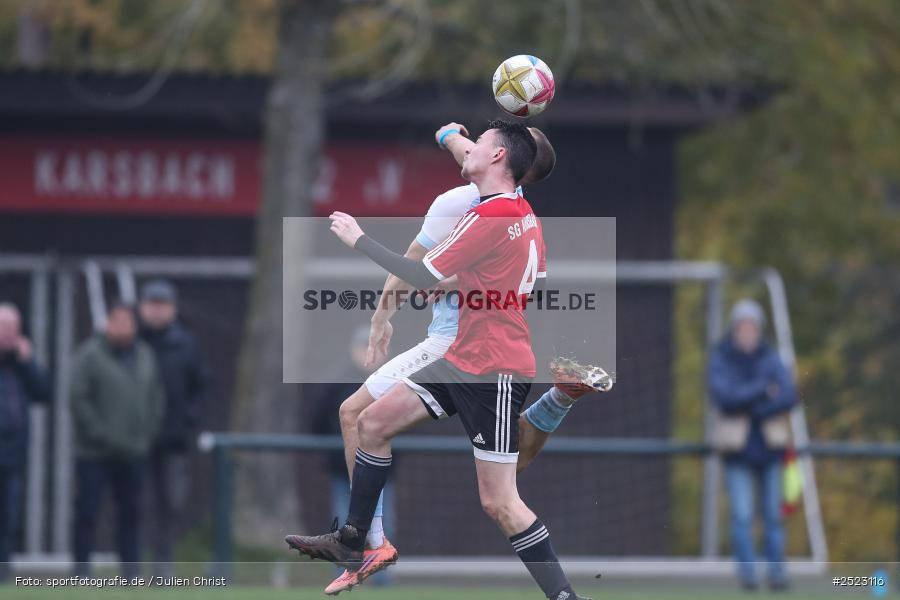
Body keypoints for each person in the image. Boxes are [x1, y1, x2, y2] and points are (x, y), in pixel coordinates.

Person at [288, 120, 592, 600]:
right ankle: (355, 539)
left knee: (501, 501)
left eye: (482, 142)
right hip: (461, 357)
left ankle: (566, 597)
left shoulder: (487, 214)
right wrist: (449, 135)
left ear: (500, 158)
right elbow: (475, 169)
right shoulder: (515, 211)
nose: (472, 148)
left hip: (493, 368)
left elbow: (416, 273)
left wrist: (358, 239)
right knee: (370, 422)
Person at [70, 301, 165, 578]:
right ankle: (81, 572)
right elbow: (78, 397)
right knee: (87, 513)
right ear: (108, 324)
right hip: (94, 453)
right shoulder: (90, 354)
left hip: (133, 452)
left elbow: (156, 397)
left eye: (128, 322)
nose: (123, 327)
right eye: (118, 321)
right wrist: (100, 433)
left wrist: (147, 432)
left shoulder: (145, 355)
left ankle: (130, 574)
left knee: (131, 515)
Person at [708, 299, 796, 591]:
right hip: (738, 452)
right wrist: (761, 390)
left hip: (770, 450)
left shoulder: (771, 357)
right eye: (742, 326)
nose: (747, 331)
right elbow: (724, 397)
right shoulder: (722, 358)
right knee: (742, 516)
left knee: (773, 516)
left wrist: (750, 404)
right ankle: (748, 576)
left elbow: (788, 395)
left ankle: (777, 574)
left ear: (759, 329)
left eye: (752, 326)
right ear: (734, 329)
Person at [310, 326, 394, 585]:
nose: (369, 353)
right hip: (344, 471)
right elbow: (318, 419)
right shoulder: (339, 381)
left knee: (382, 526)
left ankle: (380, 581)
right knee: (346, 524)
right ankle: (344, 576)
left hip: (380, 472)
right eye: (364, 347)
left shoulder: (393, 380)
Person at [138, 279, 211, 576]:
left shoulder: (186, 343)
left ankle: (162, 566)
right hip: (135, 440)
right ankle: (132, 566)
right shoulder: (132, 341)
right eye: (152, 304)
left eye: (162, 305)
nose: (157, 311)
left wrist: (187, 419)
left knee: (169, 505)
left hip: (173, 440)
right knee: (135, 504)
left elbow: (202, 386)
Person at [0, 303, 50, 583]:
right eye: (3, 327)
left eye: (12, 328)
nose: (7, 333)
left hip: (13, 455)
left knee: (8, 518)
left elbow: (43, 392)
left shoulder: (21, 364)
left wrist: (28, 361)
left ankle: (3, 571)